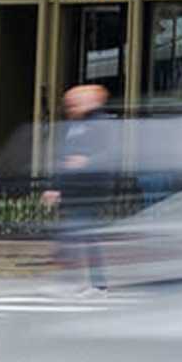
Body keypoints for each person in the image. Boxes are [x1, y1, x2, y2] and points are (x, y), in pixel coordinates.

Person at [41, 83, 123, 286]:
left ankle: (83, 281)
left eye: (75, 103)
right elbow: (63, 158)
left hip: (92, 187)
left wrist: (88, 161)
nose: (71, 108)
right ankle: (93, 282)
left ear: (91, 101)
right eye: (69, 104)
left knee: (76, 230)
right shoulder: (72, 126)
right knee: (81, 233)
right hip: (74, 187)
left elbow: (111, 154)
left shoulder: (102, 123)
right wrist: (55, 187)